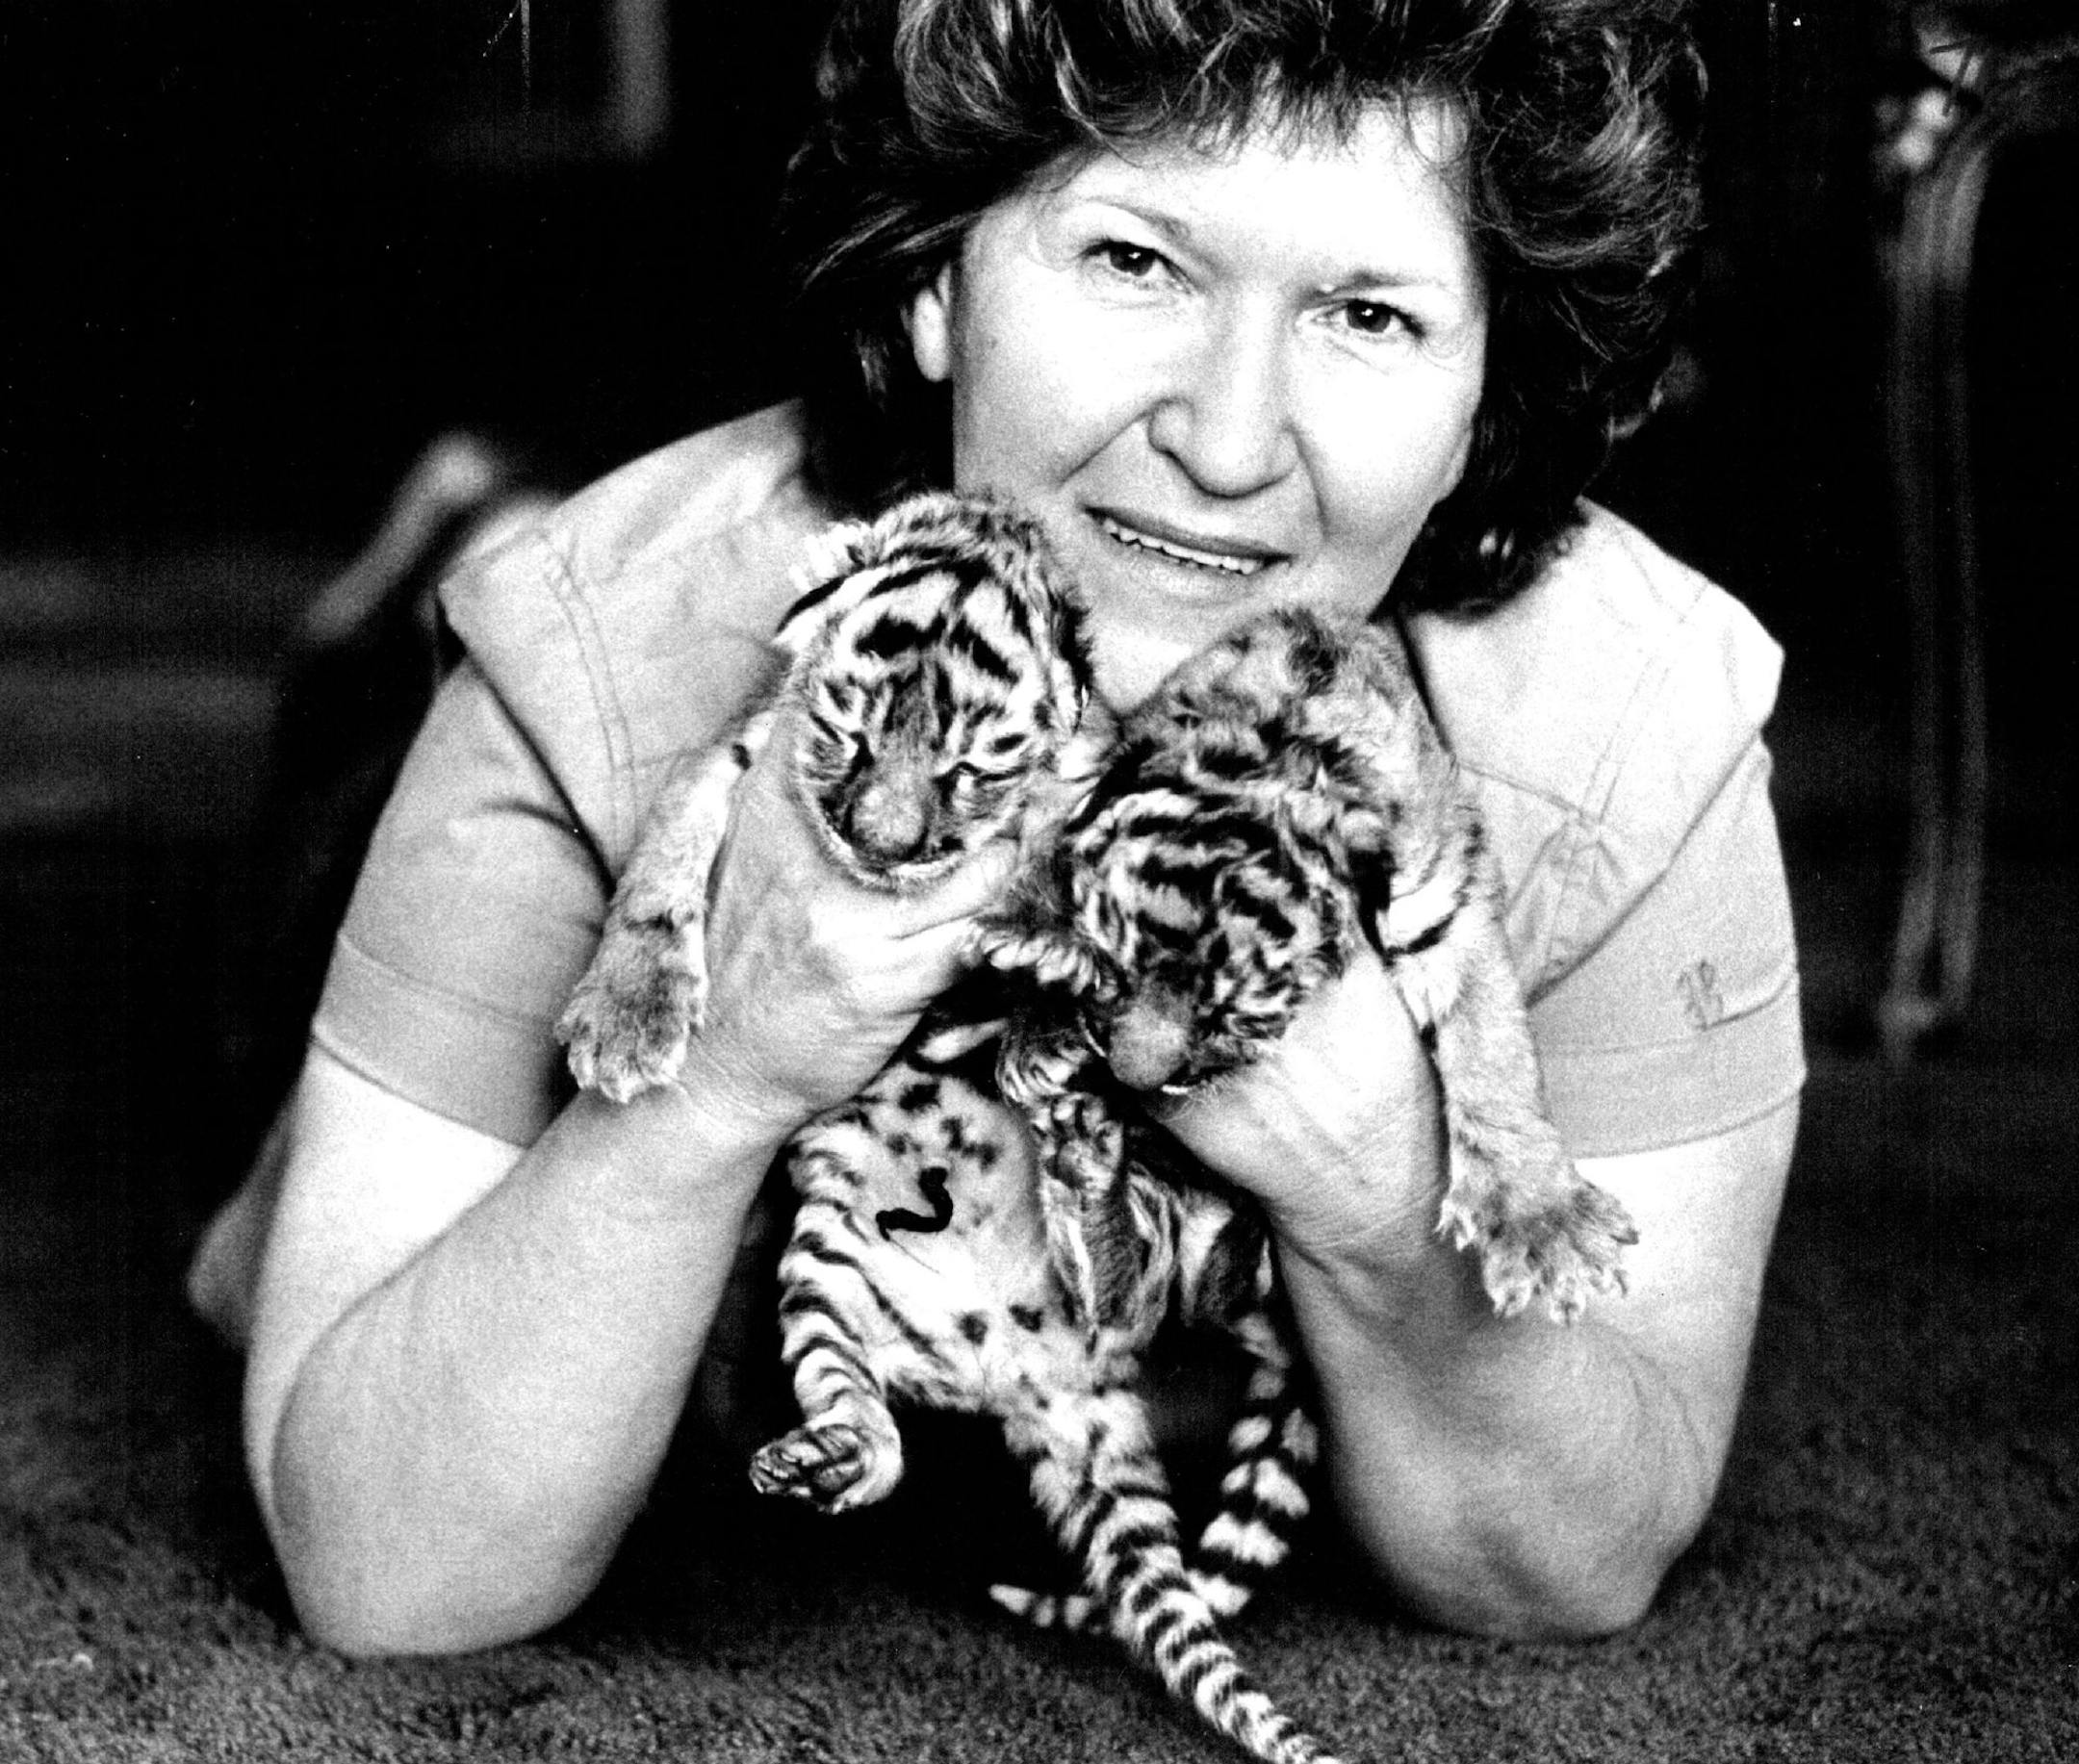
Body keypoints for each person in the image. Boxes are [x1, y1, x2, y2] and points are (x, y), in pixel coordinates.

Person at [193, 0, 1803, 1658]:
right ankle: (439, 546)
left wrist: (1384, 1198)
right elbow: (384, 1566)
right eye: (1135, 263)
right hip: (540, 740)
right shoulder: (604, 656)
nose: (1226, 444)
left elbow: (1573, 1565)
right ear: (938, 287)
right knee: (282, 1030)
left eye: (1370, 313)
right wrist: (717, 1073)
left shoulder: (1629, 734)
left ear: (1484, 394)